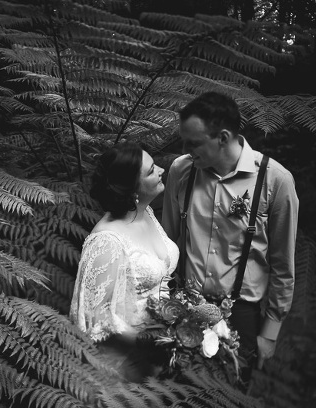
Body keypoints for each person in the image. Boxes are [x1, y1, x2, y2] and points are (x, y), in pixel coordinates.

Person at [161, 91, 299, 379]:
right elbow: (167, 244)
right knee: (177, 406)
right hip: (184, 307)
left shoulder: (275, 180)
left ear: (222, 138)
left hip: (242, 316)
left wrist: (270, 333)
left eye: (194, 143)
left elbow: (283, 266)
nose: (186, 149)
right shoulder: (181, 170)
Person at [70, 141, 179, 382]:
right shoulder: (107, 241)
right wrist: (149, 339)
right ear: (132, 189)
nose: (161, 169)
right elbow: (94, 316)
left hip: (161, 351)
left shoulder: (146, 213)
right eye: (151, 170)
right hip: (125, 361)